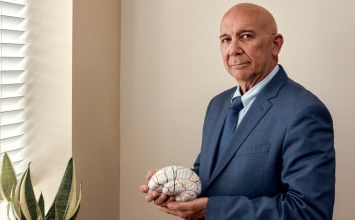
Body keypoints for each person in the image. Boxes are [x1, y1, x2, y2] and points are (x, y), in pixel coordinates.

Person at [140, 3, 335, 220]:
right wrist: (175, 185)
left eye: (246, 36)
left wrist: (212, 209)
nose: (233, 49)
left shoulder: (304, 112)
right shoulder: (217, 105)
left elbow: (308, 212)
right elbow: (209, 176)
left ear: (275, 44)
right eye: (226, 39)